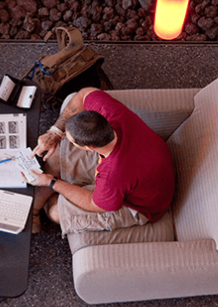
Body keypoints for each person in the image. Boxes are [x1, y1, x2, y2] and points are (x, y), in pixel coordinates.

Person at [27, 87, 175, 235]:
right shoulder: (112, 114)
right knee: (57, 150)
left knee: (55, 212)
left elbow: (96, 204)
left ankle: (49, 199)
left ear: (89, 147)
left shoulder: (115, 173)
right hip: (136, 170)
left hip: (139, 204)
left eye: (72, 141)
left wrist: (52, 182)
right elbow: (84, 94)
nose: (68, 139)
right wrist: (55, 133)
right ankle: (35, 207)